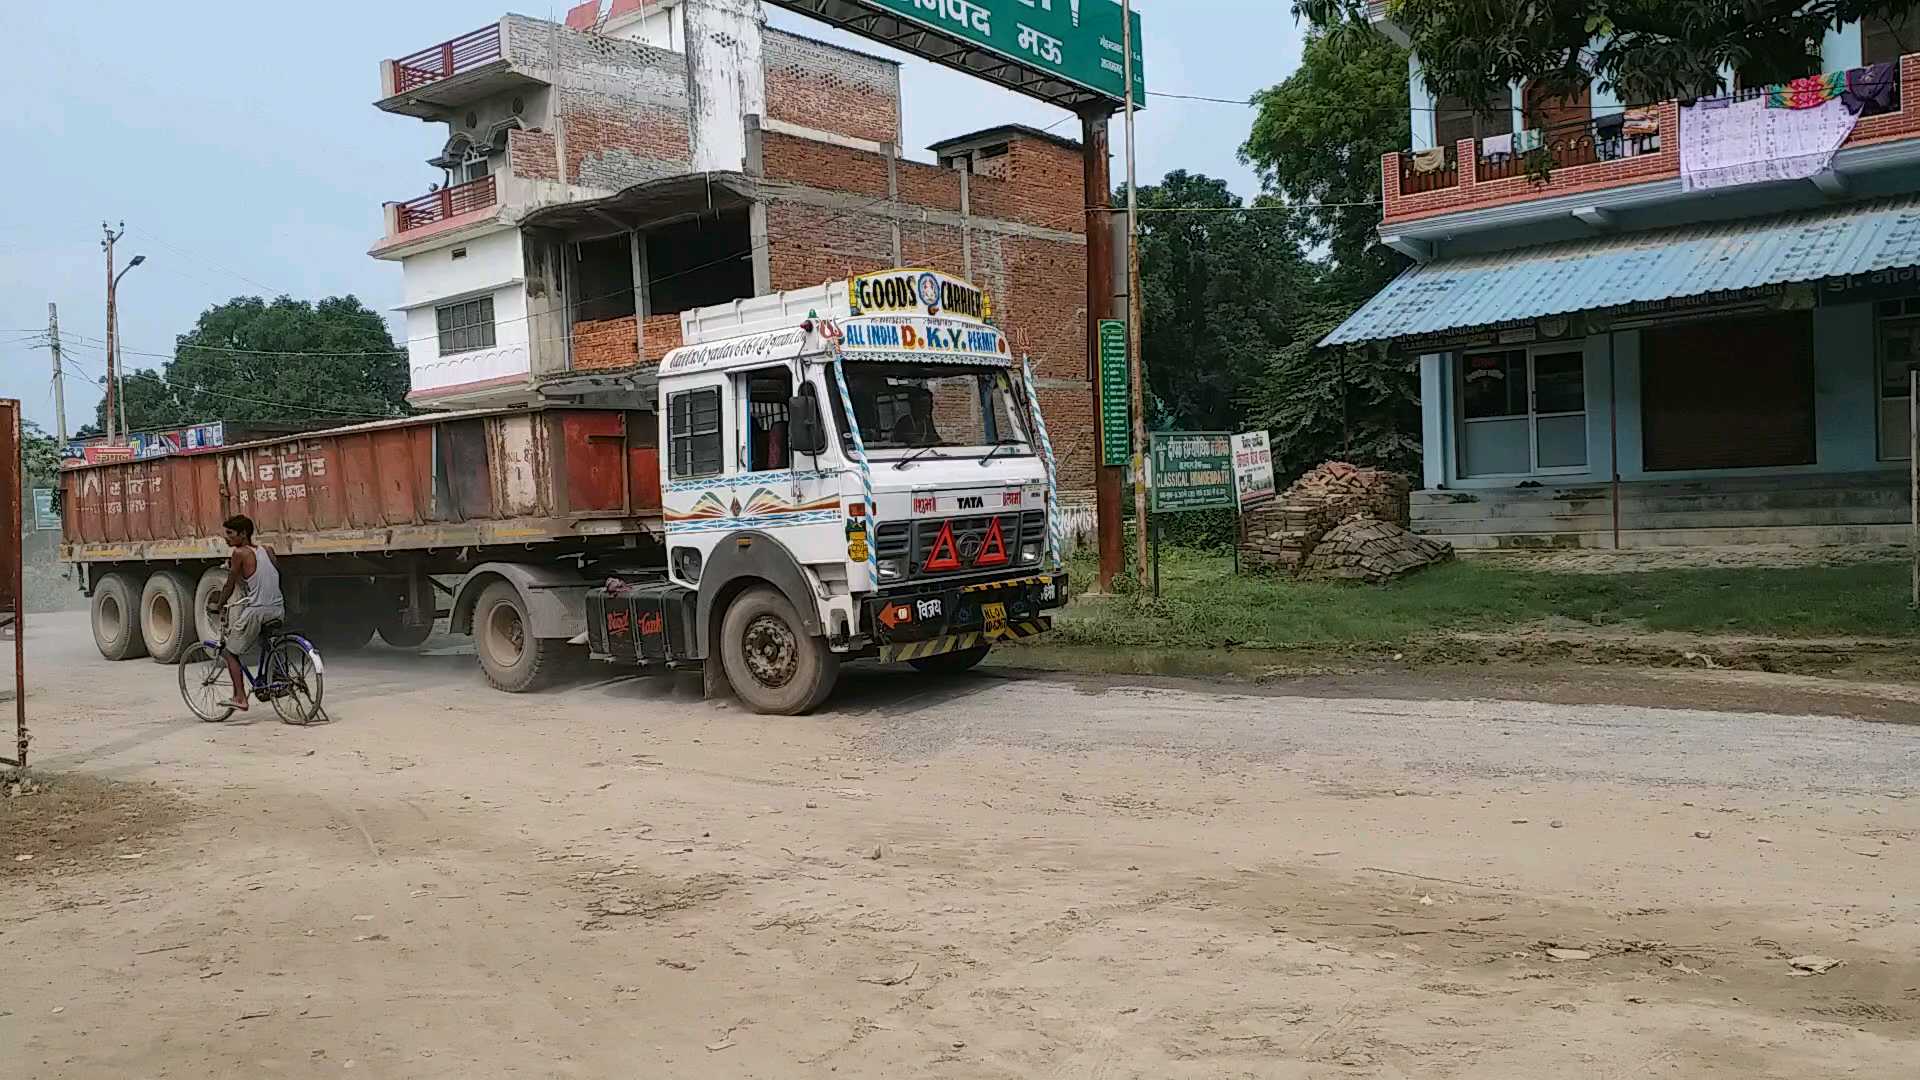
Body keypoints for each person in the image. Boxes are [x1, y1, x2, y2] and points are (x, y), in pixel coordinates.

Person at [211, 514, 285, 711]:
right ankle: (277, 677)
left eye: (230, 533)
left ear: (242, 534)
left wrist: (218, 605)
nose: (226, 538)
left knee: (229, 652)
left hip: (257, 611)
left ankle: (239, 697)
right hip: (277, 608)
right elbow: (273, 575)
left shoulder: (239, 553)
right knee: (267, 642)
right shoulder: (268, 550)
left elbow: (230, 584)